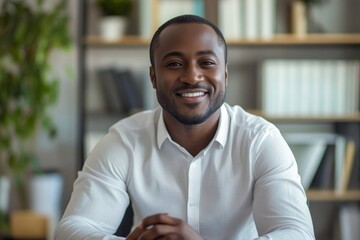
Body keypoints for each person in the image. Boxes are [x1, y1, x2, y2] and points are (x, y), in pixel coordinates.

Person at [55, 15, 315, 240]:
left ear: (225, 74)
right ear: (153, 77)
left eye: (207, 63)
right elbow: (71, 229)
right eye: (174, 64)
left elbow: (297, 233)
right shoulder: (124, 139)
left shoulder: (260, 140)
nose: (192, 77)